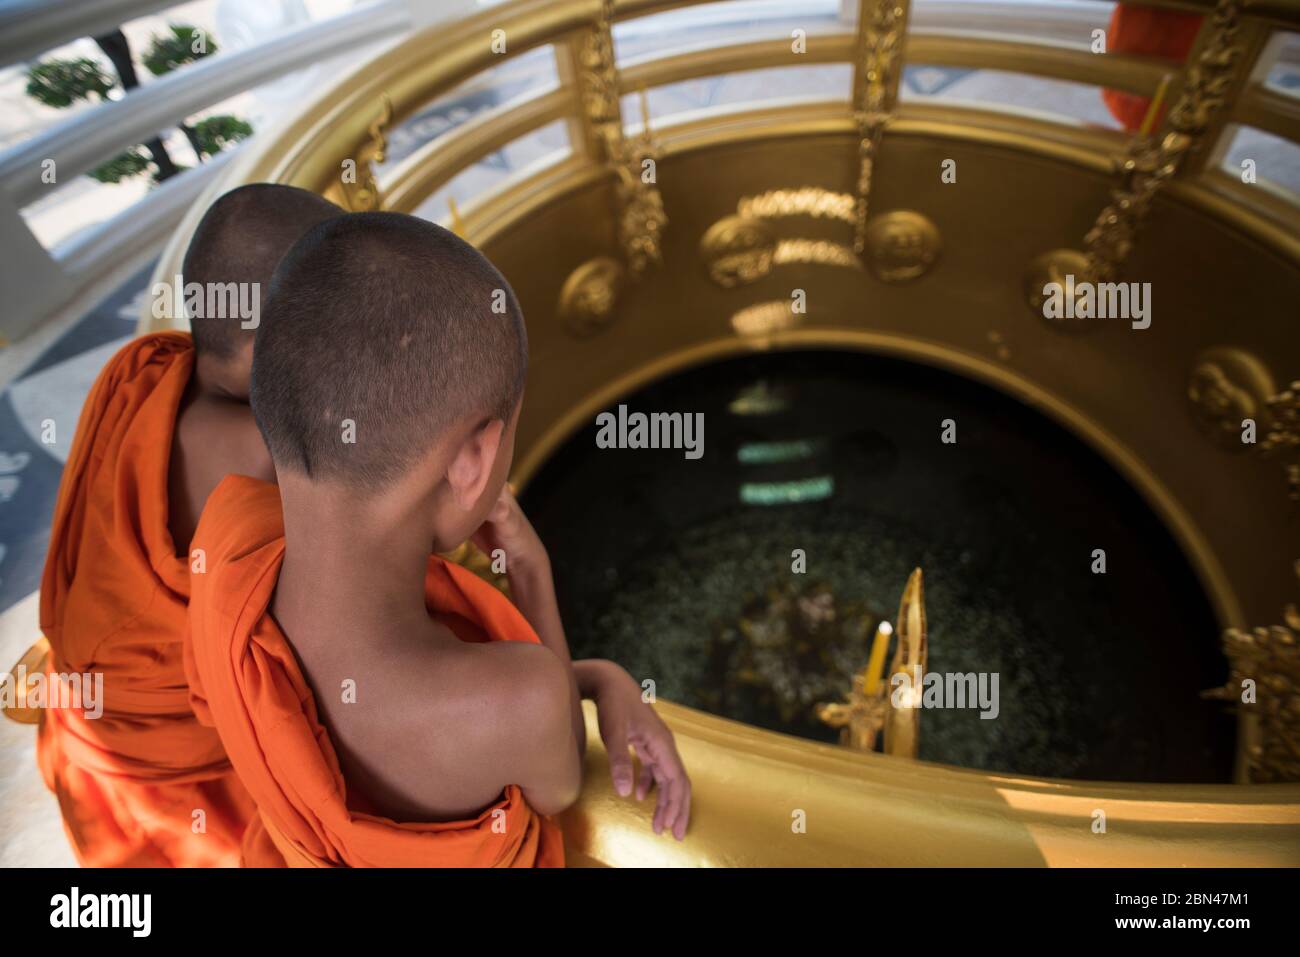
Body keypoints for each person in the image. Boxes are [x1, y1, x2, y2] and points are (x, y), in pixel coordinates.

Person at [186, 212, 691, 866]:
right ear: (473, 459)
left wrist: (598, 679)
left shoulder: (224, 539)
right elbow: (562, 780)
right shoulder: (520, 699)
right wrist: (535, 577)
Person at [34, 184, 343, 866]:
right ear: (284, 339)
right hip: (189, 781)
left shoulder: (138, 369)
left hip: (86, 746)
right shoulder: (269, 454)